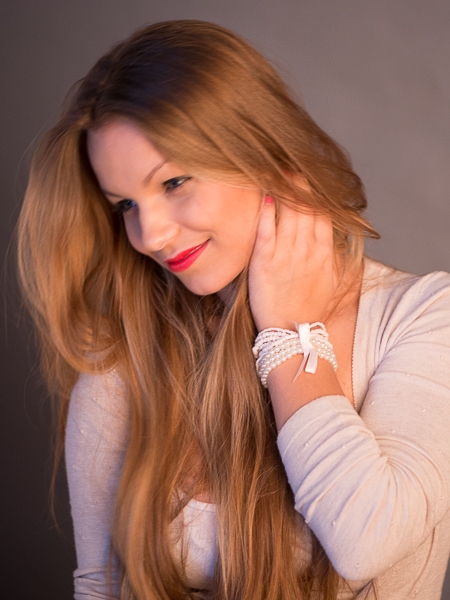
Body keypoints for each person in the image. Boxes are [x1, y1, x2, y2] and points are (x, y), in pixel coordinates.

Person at [17, 19, 450, 600]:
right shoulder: (128, 350)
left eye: (173, 181)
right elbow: (101, 586)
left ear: (260, 152)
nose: (150, 235)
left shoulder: (423, 317)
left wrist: (288, 330)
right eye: (125, 205)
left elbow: (364, 540)